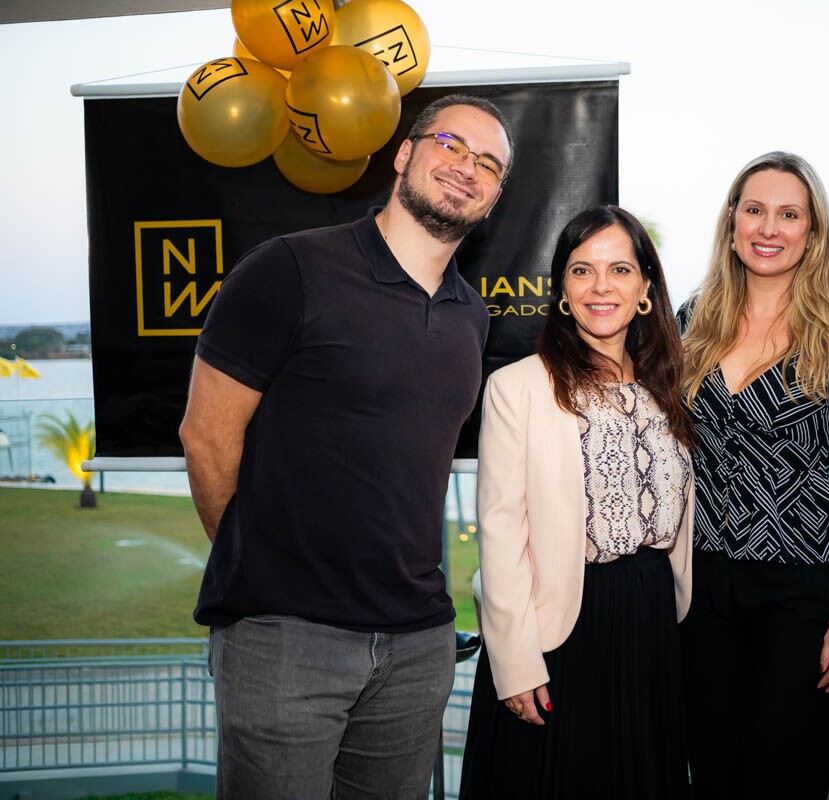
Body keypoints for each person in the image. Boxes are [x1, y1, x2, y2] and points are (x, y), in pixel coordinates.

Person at [178, 94, 514, 799]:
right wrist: (259, 570)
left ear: (494, 199)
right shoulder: (288, 270)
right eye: (451, 144)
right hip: (286, 640)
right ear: (404, 153)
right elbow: (206, 436)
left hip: (418, 647)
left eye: (488, 163)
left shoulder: (471, 318)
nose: (466, 168)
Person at [678, 151, 829, 799]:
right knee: (713, 774)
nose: (768, 228)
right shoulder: (692, 323)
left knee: (785, 777)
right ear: (731, 221)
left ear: (812, 231)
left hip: (799, 596)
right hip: (700, 592)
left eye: (788, 214)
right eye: (755, 210)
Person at [459, 205, 695, 800]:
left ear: (645, 287)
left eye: (619, 270)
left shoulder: (672, 384)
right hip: (558, 627)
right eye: (582, 270)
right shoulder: (518, 386)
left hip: (651, 620)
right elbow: (500, 531)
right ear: (562, 288)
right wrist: (514, 661)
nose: (600, 287)